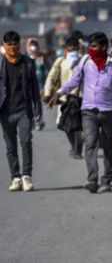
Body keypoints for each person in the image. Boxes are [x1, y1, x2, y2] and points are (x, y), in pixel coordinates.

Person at [50, 32, 112, 194]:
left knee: (108, 146)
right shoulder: (85, 61)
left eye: (95, 46)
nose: (92, 49)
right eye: (91, 46)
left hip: (108, 111)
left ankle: (107, 180)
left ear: (104, 47)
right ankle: (92, 179)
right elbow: (74, 80)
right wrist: (59, 92)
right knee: (90, 143)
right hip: (88, 111)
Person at [0, 31, 42, 192]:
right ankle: (15, 177)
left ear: (20, 44)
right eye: (9, 44)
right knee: (10, 146)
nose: (12, 47)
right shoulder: (1, 63)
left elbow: (34, 89)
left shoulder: (28, 63)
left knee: (25, 141)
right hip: (5, 111)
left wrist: (38, 110)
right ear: (4, 45)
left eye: (15, 44)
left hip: (23, 110)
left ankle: (26, 176)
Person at [43, 36, 83, 159]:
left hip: (81, 98)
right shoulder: (60, 61)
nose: (73, 51)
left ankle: (77, 149)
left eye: (75, 48)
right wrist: (47, 93)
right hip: (64, 99)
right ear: (66, 49)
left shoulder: (84, 61)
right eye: (70, 48)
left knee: (77, 126)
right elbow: (51, 77)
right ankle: (75, 146)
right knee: (65, 125)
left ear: (79, 48)